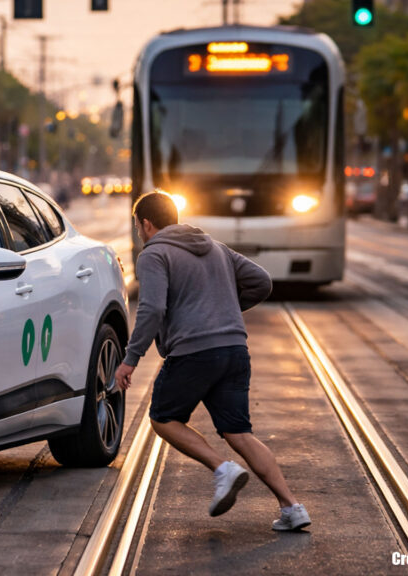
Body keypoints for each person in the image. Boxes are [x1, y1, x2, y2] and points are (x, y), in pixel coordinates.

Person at [115, 191, 310, 532]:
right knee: (239, 432)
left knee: (163, 418)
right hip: (235, 349)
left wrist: (130, 359)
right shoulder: (215, 247)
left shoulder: (154, 254)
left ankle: (222, 469)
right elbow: (262, 282)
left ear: (146, 224)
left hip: (194, 352)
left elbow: (152, 308)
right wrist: (225, 310)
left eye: (137, 226)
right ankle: (292, 507)